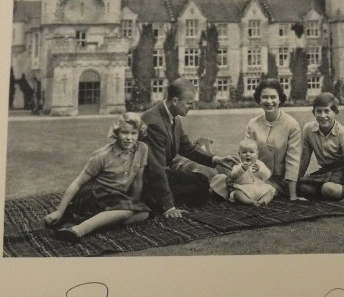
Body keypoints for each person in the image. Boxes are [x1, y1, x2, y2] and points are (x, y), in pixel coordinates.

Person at [44, 112, 151, 241]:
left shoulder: (142, 149)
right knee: (127, 212)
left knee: (143, 213)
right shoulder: (102, 156)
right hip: (94, 193)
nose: (129, 138)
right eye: (124, 133)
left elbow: (138, 180)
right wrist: (59, 211)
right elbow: (78, 182)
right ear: (116, 133)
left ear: (139, 133)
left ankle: (96, 223)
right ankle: (78, 230)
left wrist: (133, 202)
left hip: (114, 196)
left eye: (134, 133)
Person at [140, 78, 236, 218]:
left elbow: (187, 148)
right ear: (175, 101)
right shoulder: (154, 122)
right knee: (200, 191)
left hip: (160, 173)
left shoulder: (173, 117)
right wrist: (169, 207)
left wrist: (216, 159)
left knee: (202, 181)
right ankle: (154, 203)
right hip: (146, 180)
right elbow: (156, 169)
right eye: (189, 103)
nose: (193, 107)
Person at [245, 78, 302, 200]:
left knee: (250, 191)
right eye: (265, 97)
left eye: (273, 97)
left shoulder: (292, 125)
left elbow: (293, 161)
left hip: (280, 181)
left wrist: (293, 196)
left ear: (280, 99)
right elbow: (246, 155)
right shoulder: (252, 124)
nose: (269, 101)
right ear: (259, 99)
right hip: (255, 176)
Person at [227, 138, 276, 207]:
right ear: (239, 154)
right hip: (244, 189)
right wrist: (242, 169)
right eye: (244, 152)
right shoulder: (238, 165)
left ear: (257, 154)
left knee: (270, 192)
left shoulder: (259, 164)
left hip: (260, 188)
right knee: (237, 194)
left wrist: (260, 170)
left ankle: (262, 202)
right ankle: (251, 202)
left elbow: (267, 175)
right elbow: (233, 176)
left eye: (251, 152)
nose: (248, 154)